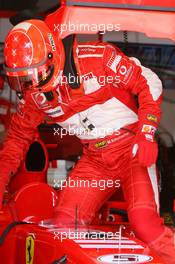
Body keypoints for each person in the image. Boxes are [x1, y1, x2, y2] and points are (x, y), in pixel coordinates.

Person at [0, 19, 174, 263]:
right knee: (62, 226)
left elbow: (150, 82)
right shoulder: (33, 96)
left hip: (131, 150)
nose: (30, 84)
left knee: (145, 225)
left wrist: (146, 134)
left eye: (33, 74)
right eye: (21, 79)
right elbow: (17, 138)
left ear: (52, 56)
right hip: (95, 160)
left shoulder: (96, 58)